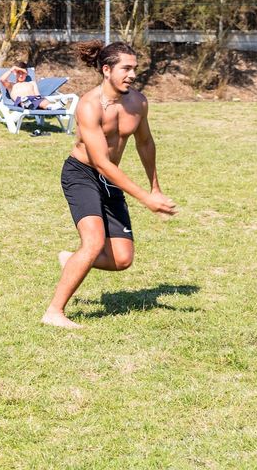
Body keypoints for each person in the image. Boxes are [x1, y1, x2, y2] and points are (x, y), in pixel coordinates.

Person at [41, 41, 178, 329]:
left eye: (135, 69)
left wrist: (155, 187)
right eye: (125, 68)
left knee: (122, 259)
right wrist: (144, 198)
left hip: (109, 178)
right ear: (106, 70)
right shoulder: (89, 105)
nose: (132, 74)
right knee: (92, 243)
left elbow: (145, 143)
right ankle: (54, 312)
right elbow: (101, 162)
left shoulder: (138, 102)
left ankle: (73, 260)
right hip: (82, 174)